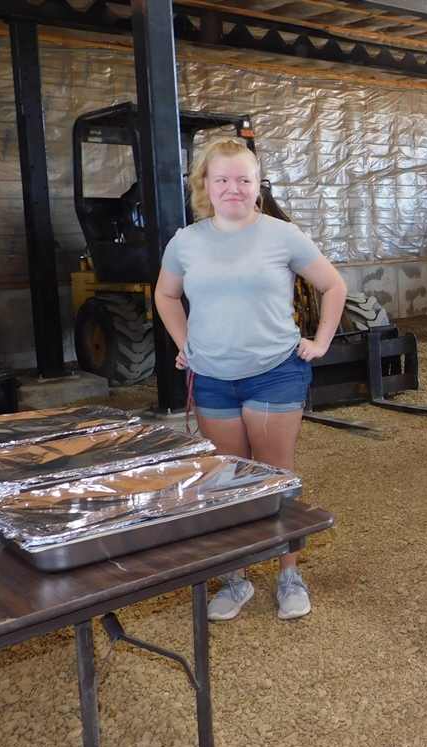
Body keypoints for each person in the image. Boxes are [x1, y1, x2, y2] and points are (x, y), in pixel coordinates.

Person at [155, 139, 347, 623]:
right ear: (205, 184)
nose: (233, 188)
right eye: (222, 179)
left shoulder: (282, 235)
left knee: (275, 474)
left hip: (274, 374)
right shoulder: (186, 241)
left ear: (258, 184)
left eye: (244, 179)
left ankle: (289, 576)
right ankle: (235, 577)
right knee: (227, 479)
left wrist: (321, 341)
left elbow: (333, 284)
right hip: (213, 379)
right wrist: (185, 343)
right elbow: (165, 295)